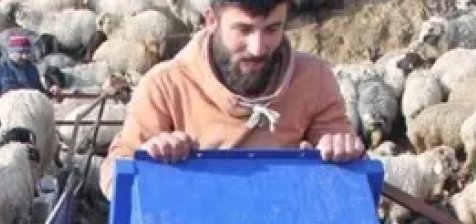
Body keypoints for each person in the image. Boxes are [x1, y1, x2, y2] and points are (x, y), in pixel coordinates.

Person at [99, 0, 365, 198]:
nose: (258, 47)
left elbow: (340, 154)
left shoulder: (314, 78)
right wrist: (151, 156)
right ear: (211, 20)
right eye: (244, 30)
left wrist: (340, 147)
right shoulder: (165, 85)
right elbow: (114, 172)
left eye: (273, 29)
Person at [0, 34, 60, 107]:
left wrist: (51, 93)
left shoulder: (32, 68)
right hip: (8, 117)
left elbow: (39, 92)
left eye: (27, 52)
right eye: (21, 52)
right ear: (11, 52)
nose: (25, 56)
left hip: (32, 114)